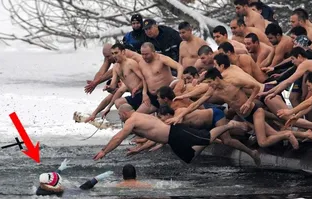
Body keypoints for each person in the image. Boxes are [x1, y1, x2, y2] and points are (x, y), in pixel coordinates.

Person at [168, 67, 312, 149]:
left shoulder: (233, 81)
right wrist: (180, 113)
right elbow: (196, 103)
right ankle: (307, 134)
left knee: (263, 141)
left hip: (255, 110)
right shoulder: (213, 90)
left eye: (210, 82)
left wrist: (249, 101)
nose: (210, 86)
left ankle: (289, 134)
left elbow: (255, 87)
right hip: (246, 116)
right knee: (274, 133)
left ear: (216, 78)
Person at [93, 103, 250, 164]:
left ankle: (229, 125)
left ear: (125, 113)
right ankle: (205, 138)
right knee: (189, 157)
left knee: (207, 138)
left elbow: (119, 137)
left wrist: (104, 151)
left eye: (120, 115)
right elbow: (153, 134)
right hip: (173, 140)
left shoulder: (132, 120)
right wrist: (139, 149)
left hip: (177, 133)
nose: (119, 118)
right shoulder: (139, 117)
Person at [158, 104, 261, 166]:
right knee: (208, 140)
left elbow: (189, 109)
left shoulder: (178, 114)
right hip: (206, 126)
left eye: (161, 117)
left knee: (227, 140)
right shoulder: (173, 121)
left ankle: (252, 153)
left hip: (215, 115)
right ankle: (243, 128)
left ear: (167, 114)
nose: (161, 121)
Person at [136, 42, 183, 113]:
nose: (144, 56)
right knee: (137, 115)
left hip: (165, 95)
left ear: (153, 52)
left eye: (146, 54)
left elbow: (179, 67)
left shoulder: (162, 59)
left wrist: (178, 80)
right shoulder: (141, 63)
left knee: (170, 114)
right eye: (142, 54)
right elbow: (144, 79)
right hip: (152, 96)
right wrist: (144, 93)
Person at [36, 159, 113, 195]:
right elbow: (83, 188)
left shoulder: (43, 187)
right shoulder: (62, 192)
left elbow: (51, 180)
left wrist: (60, 169)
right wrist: (97, 178)